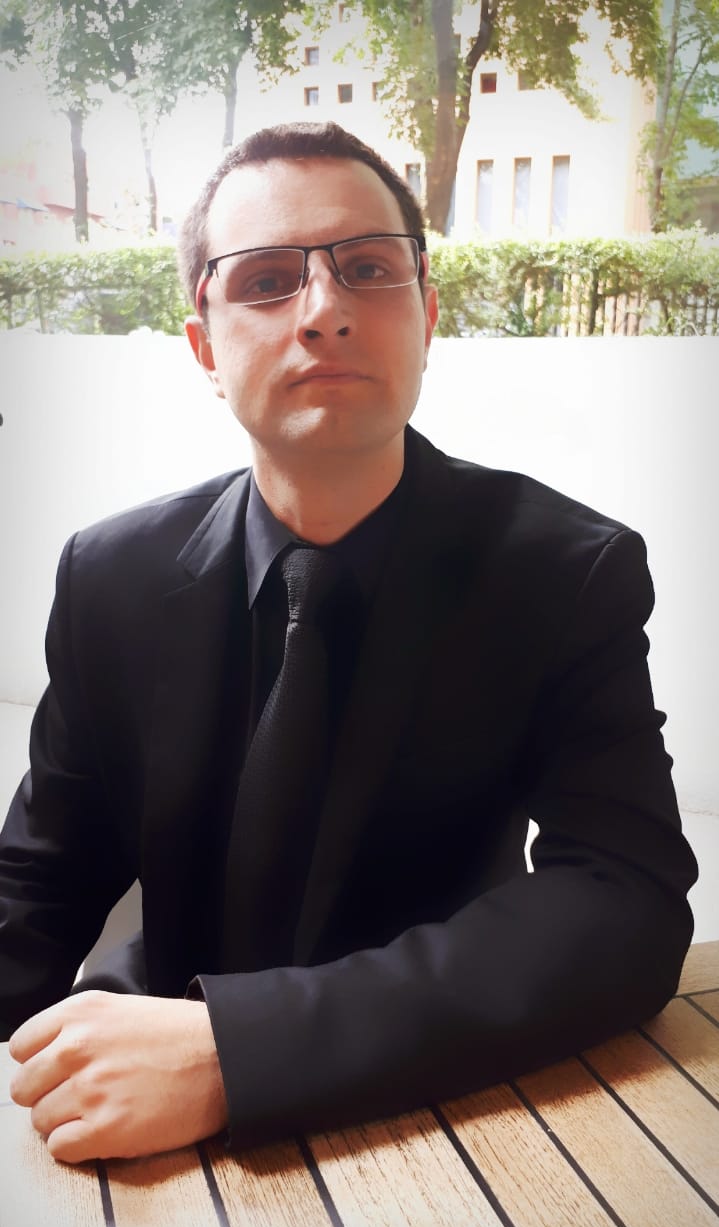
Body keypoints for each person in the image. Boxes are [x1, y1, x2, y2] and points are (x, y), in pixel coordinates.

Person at [0, 121, 697, 1164]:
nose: (322, 310)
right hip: (145, 1091)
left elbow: (623, 897)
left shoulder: (563, 572)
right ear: (203, 346)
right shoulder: (111, 574)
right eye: (265, 280)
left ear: (426, 314)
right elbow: (40, 880)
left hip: (437, 1107)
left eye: (366, 268)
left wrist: (239, 1052)